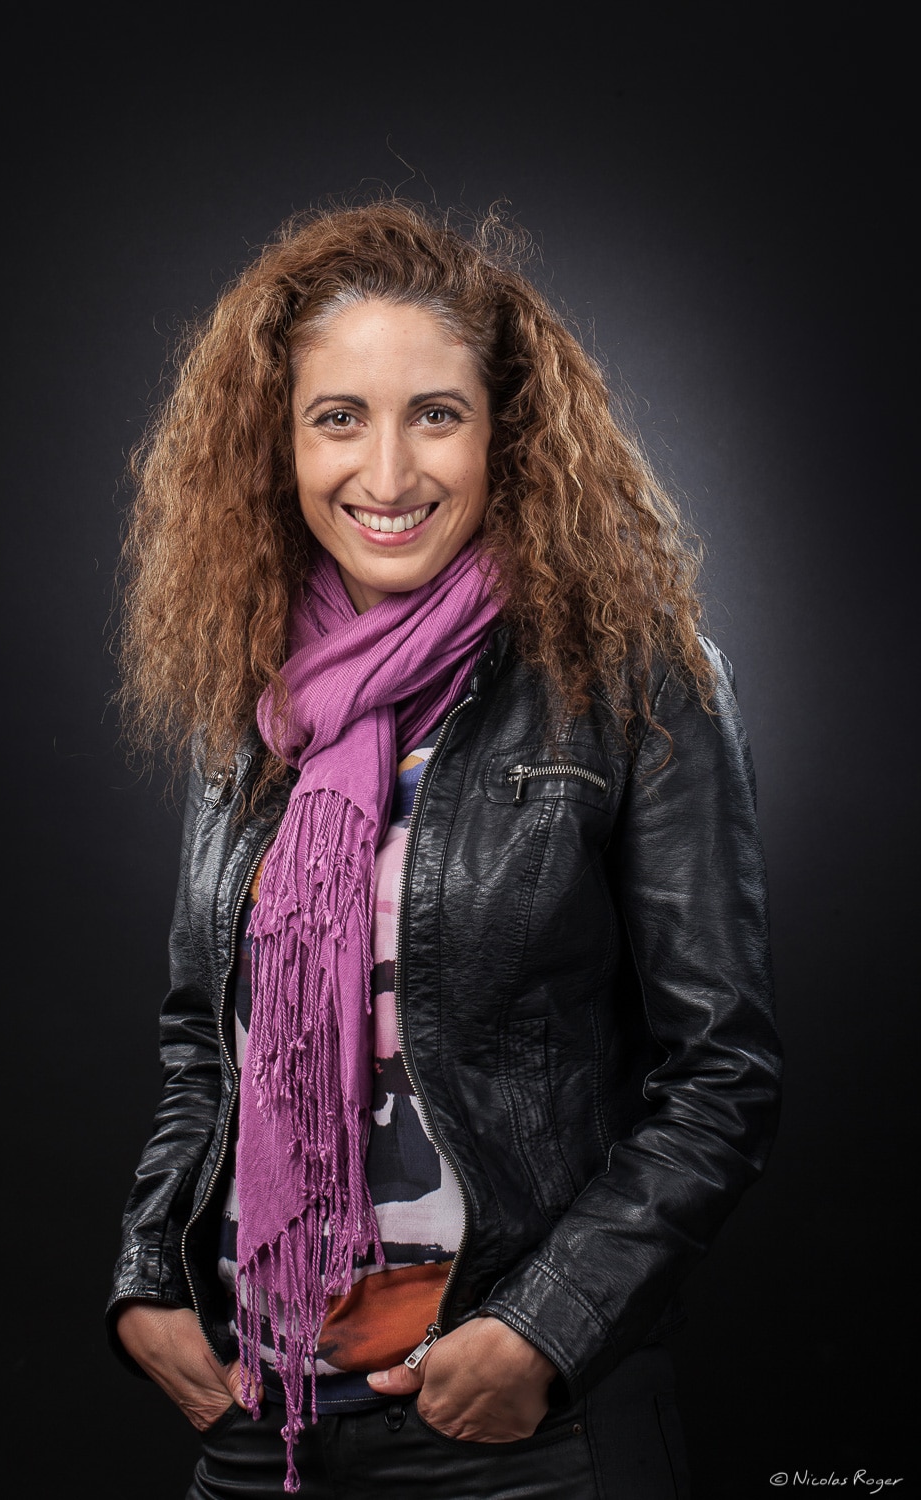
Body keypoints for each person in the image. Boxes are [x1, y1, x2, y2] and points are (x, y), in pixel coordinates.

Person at [106, 196, 782, 1499]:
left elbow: (722, 1072)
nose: (391, 474)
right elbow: (203, 1044)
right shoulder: (252, 709)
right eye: (339, 417)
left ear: (504, 433)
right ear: (278, 444)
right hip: (266, 1413)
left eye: (437, 413)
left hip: (516, 1426)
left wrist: (546, 1330)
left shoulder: (635, 681)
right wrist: (148, 1274)